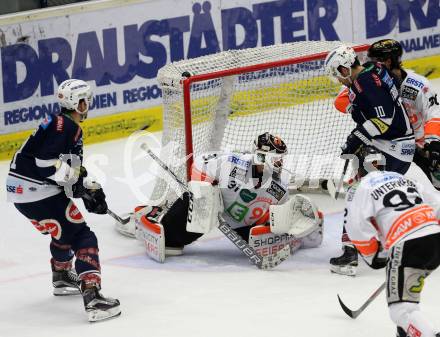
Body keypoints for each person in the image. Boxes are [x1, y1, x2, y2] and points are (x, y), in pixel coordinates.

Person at [6, 79, 121, 322]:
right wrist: (78, 186)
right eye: (86, 100)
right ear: (78, 103)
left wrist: (87, 188)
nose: (88, 104)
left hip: (22, 191)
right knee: (82, 236)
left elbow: (68, 171)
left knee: (63, 232)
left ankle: (61, 275)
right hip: (36, 190)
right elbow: (46, 165)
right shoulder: (65, 127)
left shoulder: (60, 124)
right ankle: (93, 296)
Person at [116, 132, 324, 263]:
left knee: (262, 241)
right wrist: (209, 190)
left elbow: (276, 212)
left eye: (281, 158)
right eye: (276, 158)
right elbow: (200, 162)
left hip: (240, 224)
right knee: (170, 244)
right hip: (208, 210)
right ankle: (143, 221)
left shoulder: (279, 183)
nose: (279, 162)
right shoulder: (233, 162)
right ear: (261, 155)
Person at [324, 44, 416, 276]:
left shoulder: (364, 82)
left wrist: (356, 139)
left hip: (392, 148)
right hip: (395, 145)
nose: (338, 81)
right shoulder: (372, 69)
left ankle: (350, 253)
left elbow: (383, 118)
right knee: (373, 196)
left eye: (337, 75)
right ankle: (384, 243)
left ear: (345, 69)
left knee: (357, 193)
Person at [343, 146, 440, 337]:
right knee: (406, 301)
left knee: (402, 310)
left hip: (407, 243)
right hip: (434, 238)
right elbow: (436, 203)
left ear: (360, 168)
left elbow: (356, 228)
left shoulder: (360, 187)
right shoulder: (403, 178)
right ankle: (405, 332)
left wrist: (374, 258)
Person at [367, 39, 440, 187]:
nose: (370, 66)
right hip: (391, 146)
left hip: (420, 148)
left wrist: (433, 145)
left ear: (388, 61)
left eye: (374, 61)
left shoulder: (418, 85)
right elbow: (341, 102)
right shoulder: (371, 83)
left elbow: (435, 114)